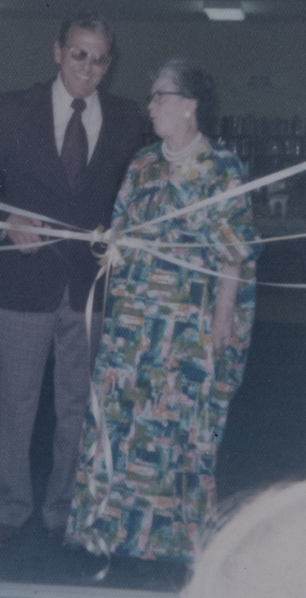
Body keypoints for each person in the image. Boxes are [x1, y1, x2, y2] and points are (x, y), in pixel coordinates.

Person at [65, 61, 259, 573]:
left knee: (179, 425)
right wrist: (111, 246)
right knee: (123, 424)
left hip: (187, 326)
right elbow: (124, 227)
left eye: (159, 97)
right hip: (133, 323)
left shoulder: (223, 168)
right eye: (150, 97)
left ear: (190, 104)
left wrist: (223, 313)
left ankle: (173, 541)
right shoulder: (143, 164)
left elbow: (234, 251)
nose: (149, 106)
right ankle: (108, 532)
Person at [0, 11, 141, 548]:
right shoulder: (16, 110)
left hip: (92, 289)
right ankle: (9, 511)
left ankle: (64, 511)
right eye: (79, 53)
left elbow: (139, 192)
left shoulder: (128, 119)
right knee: (16, 403)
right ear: (57, 51)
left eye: (99, 58)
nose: (88, 67)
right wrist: (5, 219)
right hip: (23, 285)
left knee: (76, 408)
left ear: (110, 66)